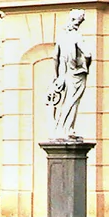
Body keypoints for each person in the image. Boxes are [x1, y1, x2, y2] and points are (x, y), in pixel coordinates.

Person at [45, 9, 92, 139]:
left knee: (65, 102)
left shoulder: (62, 36)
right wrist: (85, 66)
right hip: (76, 74)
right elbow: (88, 54)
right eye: (80, 21)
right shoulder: (77, 36)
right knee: (72, 102)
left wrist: (56, 76)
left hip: (63, 75)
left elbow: (55, 57)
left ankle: (61, 130)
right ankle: (67, 130)